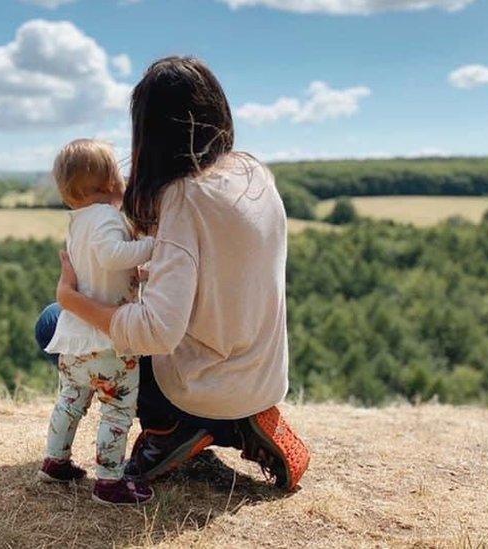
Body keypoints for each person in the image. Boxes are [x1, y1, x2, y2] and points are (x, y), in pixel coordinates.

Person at [41, 56, 310, 491]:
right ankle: (235, 418)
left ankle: (175, 425)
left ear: (151, 132)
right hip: (262, 377)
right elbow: (220, 273)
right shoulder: (253, 172)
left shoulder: (183, 198)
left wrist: (73, 300)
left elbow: (157, 333)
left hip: (200, 387)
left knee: (53, 322)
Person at [38, 139, 156, 506]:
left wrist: (135, 273)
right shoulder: (106, 217)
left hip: (75, 336)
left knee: (71, 400)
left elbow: (96, 268)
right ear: (109, 182)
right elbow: (110, 256)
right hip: (108, 339)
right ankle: (109, 481)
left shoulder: (78, 222)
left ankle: (55, 461)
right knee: (118, 408)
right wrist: (153, 244)